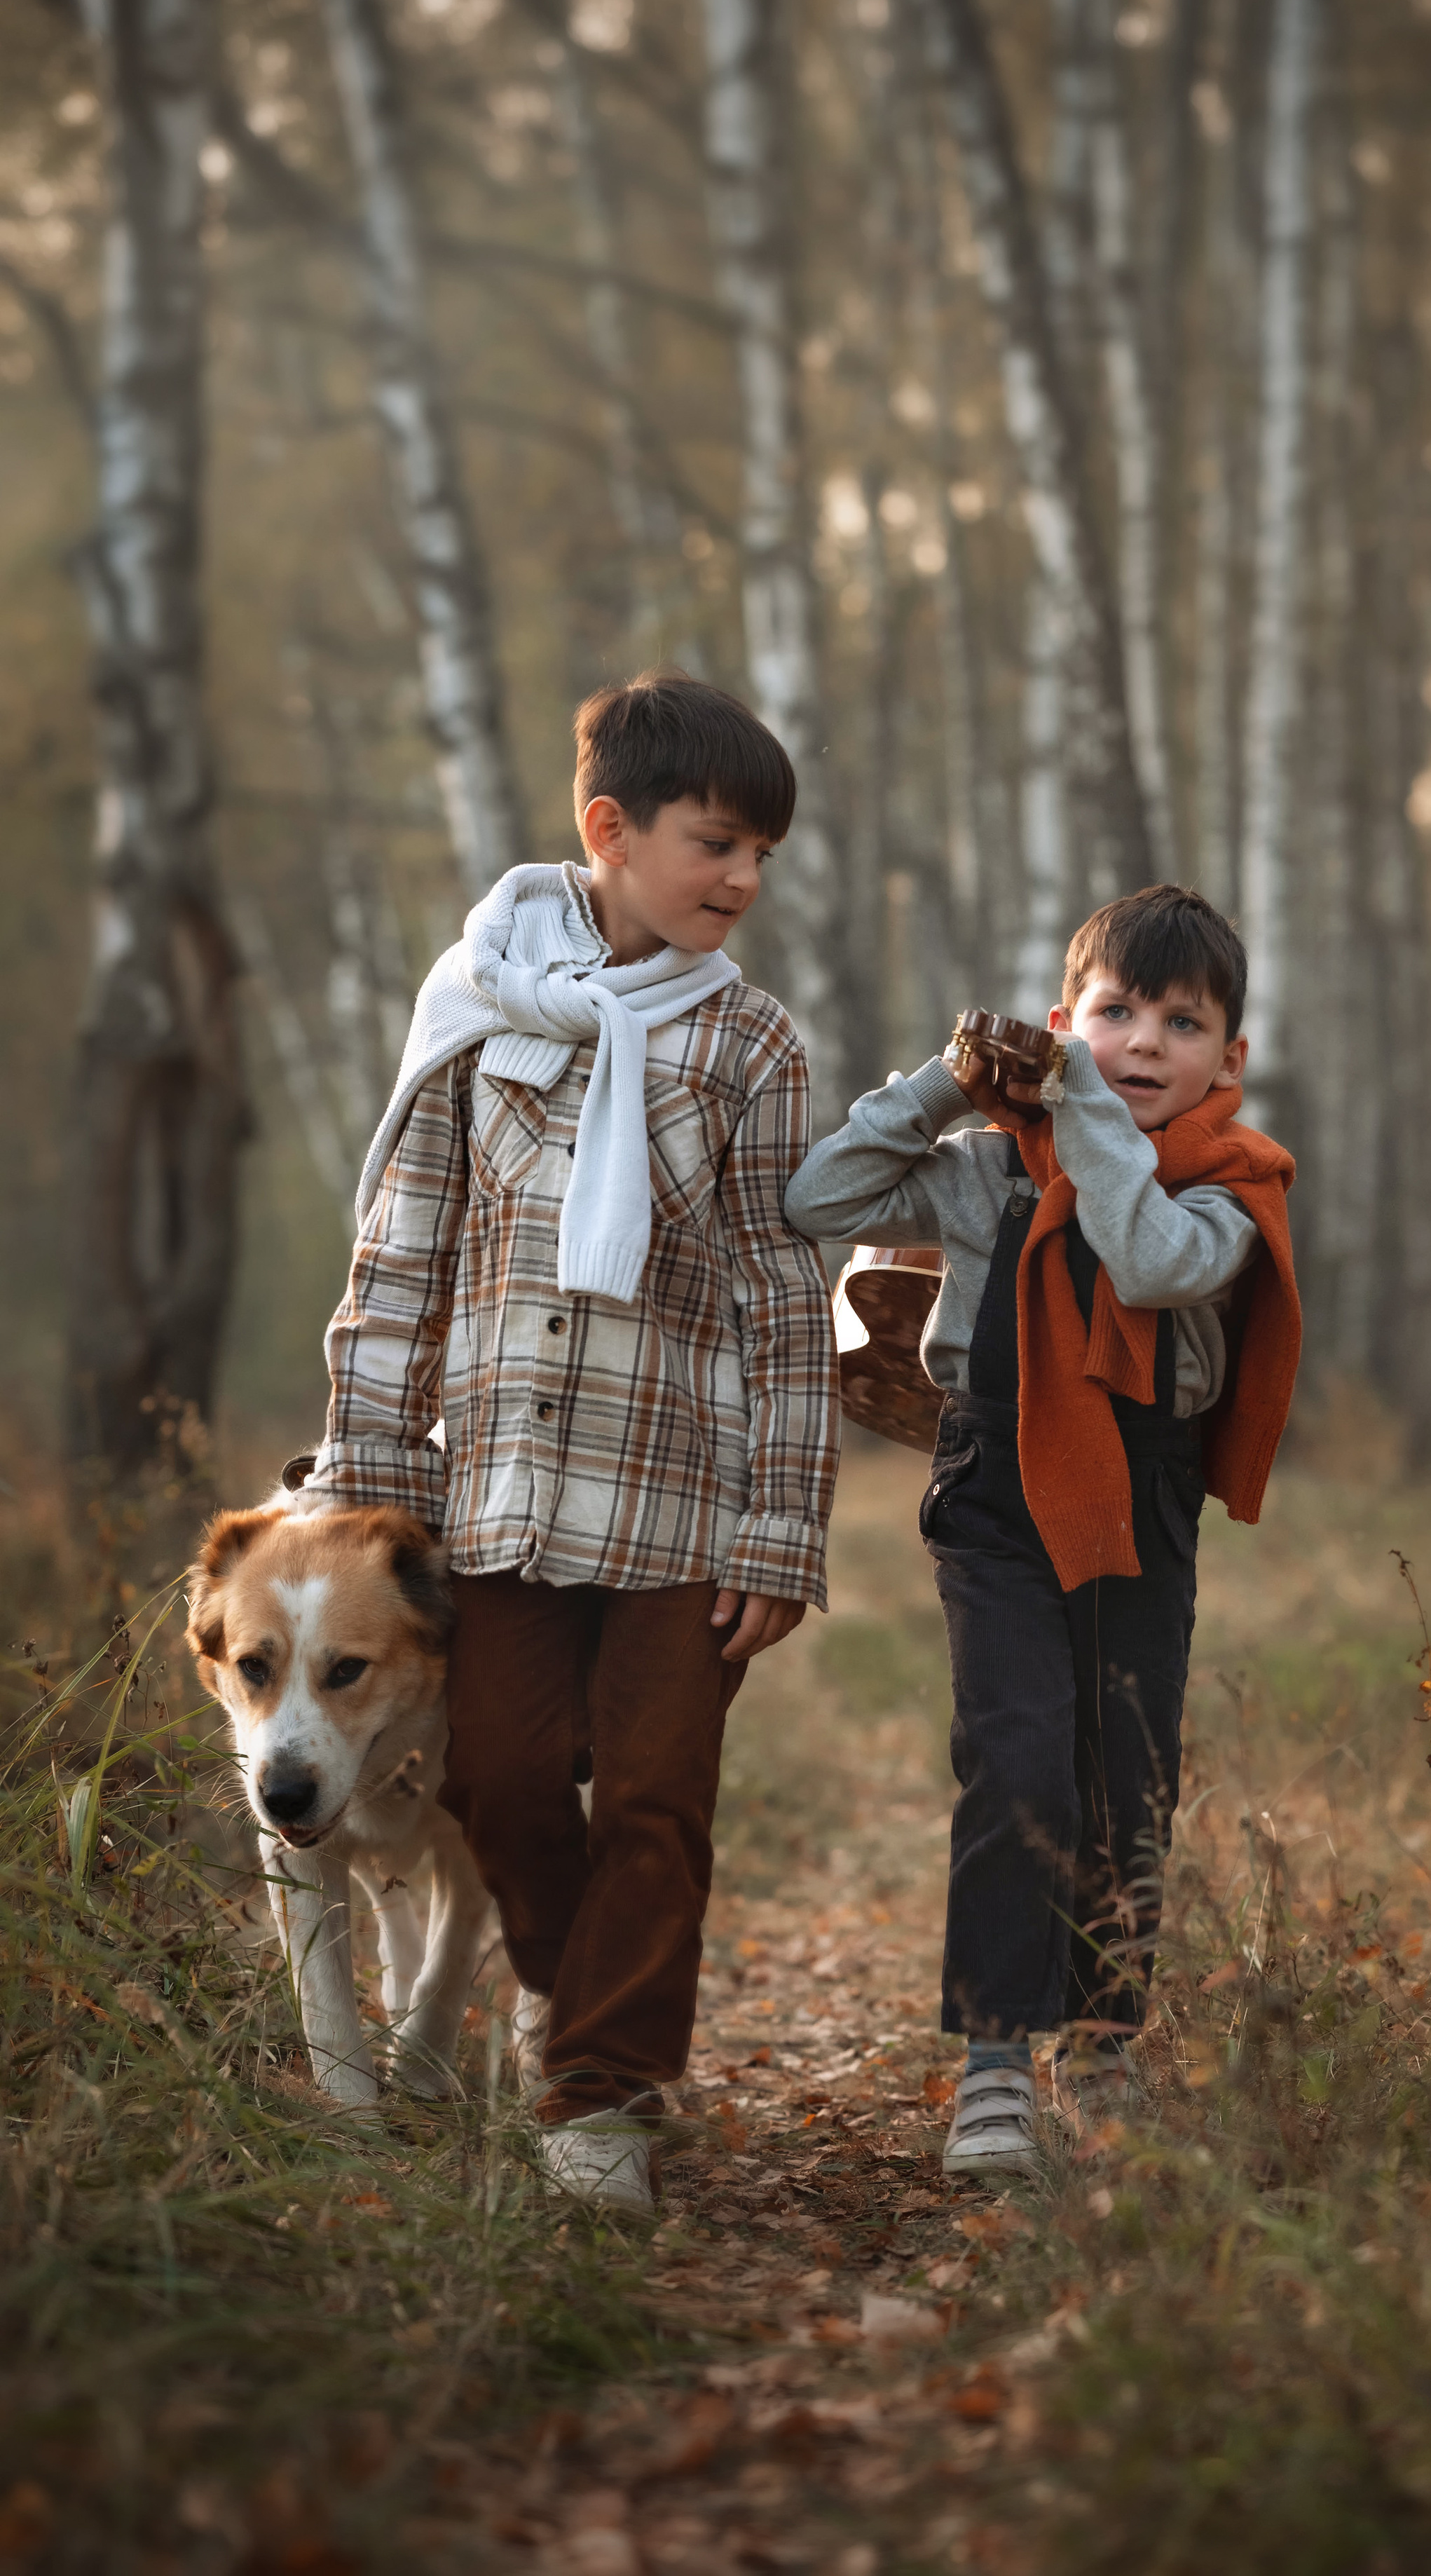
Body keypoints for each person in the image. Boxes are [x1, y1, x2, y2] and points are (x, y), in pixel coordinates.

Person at [300, 668, 838, 2219]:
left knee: (658, 1799)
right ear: (608, 829)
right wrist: (364, 1502)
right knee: (505, 1779)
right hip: (498, 1503)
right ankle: (566, 1983)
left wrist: (777, 1534)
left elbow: (778, 1308)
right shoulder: (475, 1008)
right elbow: (398, 1271)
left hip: (679, 1514)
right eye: (714, 843)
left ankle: (598, 2094)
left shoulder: (751, 1048)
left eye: (759, 857)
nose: (740, 880)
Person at [785, 884, 1299, 2178]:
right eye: (1115, 1013)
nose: (1141, 1044)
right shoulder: (984, 1172)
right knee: (1017, 1763)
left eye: (1181, 1024)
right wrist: (946, 1088)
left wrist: (1075, 1113)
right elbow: (818, 1198)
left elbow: (1146, 1262)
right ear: (1069, 1019)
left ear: (1228, 1060)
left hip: (1144, 1492)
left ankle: (1106, 2043)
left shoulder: (1232, 1194)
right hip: (997, 1493)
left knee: (1125, 1776)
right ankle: (999, 2062)